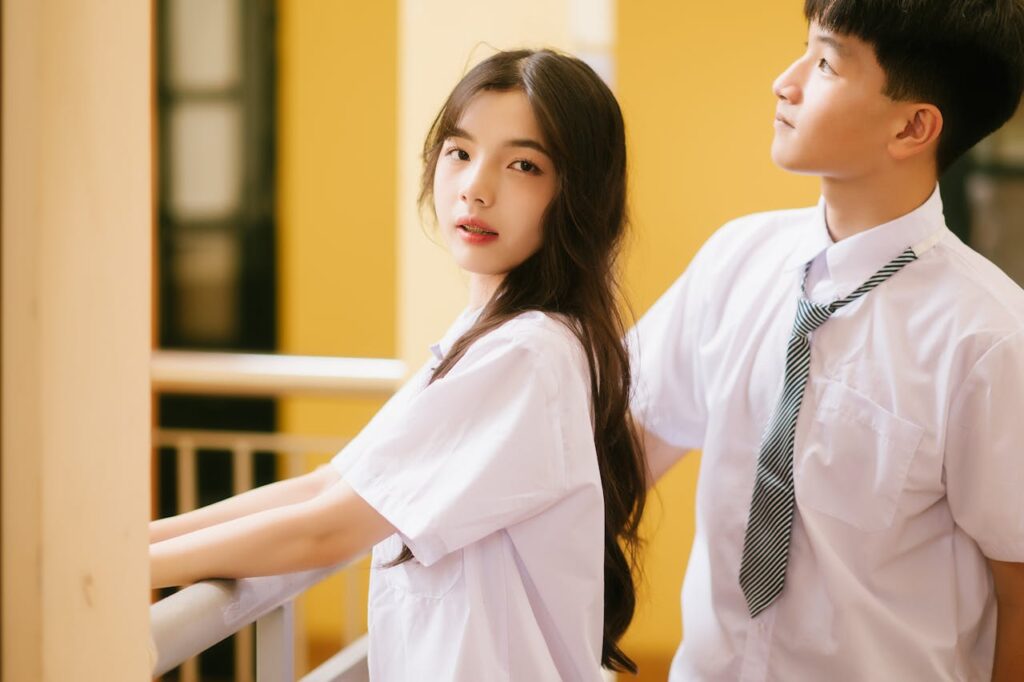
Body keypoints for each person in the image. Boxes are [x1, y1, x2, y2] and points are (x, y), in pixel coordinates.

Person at [150, 48, 647, 681]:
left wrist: (120, 570)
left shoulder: (528, 354)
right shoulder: (488, 336)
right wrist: (135, 544)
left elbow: (325, 531)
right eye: (459, 152)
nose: (476, 186)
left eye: (524, 164)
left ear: (580, 194)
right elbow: (328, 485)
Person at [629, 1, 1024, 680]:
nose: (785, 82)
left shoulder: (988, 338)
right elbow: (621, 456)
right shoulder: (736, 258)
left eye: (825, 62)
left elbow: (1020, 591)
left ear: (912, 126)